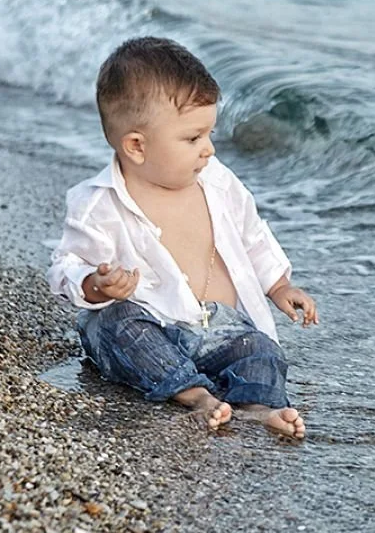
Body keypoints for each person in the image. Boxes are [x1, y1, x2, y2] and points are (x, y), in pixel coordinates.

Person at [46, 37, 318, 439]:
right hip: (149, 322)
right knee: (112, 326)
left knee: (262, 350)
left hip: (221, 329)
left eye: (208, 134)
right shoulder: (99, 203)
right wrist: (97, 284)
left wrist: (278, 284)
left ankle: (259, 405)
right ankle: (194, 394)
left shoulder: (218, 181)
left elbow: (252, 235)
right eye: (192, 139)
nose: (208, 150)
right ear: (137, 146)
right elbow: (66, 266)